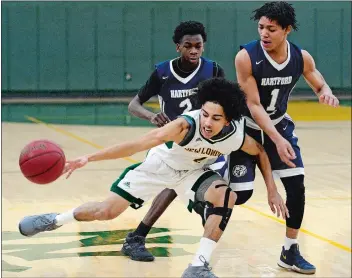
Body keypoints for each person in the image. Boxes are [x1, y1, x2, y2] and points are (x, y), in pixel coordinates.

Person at [18, 78, 289, 278]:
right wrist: (88, 158)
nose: (207, 122)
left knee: (226, 195)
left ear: (228, 120)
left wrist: (272, 190)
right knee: (106, 212)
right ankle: (54, 220)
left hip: (193, 173)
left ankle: (198, 266)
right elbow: (136, 145)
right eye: (205, 114)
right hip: (159, 165)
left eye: (216, 118)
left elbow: (261, 152)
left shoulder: (236, 136)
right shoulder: (184, 126)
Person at [227, 1, 340, 275]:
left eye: (272, 29)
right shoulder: (246, 57)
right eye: (261, 27)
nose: (264, 34)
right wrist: (276, 139)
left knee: (297, 187)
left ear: (287, 30)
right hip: (247, 128)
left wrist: (325, 91)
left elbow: (317, 81)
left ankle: (290, 250)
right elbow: (254, 105)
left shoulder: (301, 57)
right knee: (240, 195)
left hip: (279, 125)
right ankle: (210, 190)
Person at [123, 20, 226, 262]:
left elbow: (226, 103)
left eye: (198, 46)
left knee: (216, 192)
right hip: (171, 143)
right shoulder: (163, 72)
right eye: (188, 46)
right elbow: (133, 105)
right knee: (157, 188)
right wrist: (151, 115)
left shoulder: (213, 70)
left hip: (204, 143)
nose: (194, 51)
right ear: (177, 47)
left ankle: (201, 255)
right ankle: (137, 236)